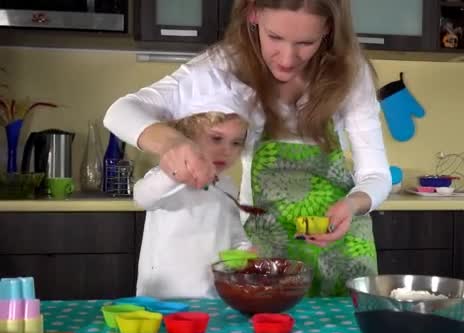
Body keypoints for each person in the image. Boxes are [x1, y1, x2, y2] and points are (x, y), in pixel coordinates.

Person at [105, 0, 391, 296]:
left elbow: (376, 175)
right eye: (275, 37)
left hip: (343, 246)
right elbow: (120, 111)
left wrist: (353, 204)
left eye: (306, 43)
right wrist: (172, 142)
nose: (288, 58)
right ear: (253, 13)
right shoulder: (222, 67)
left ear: (328, 29)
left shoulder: (349, 72)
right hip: (269, 255)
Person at [132, 70, 254, 299]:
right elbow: (142, 196)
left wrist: (246, 251)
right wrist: (176, 172)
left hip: (213, 296)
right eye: (216, 138)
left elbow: (235, 234)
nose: (227, 150)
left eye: (236, 142)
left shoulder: (226, 186)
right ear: (187, 136)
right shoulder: (167, 176)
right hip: (162, 297)